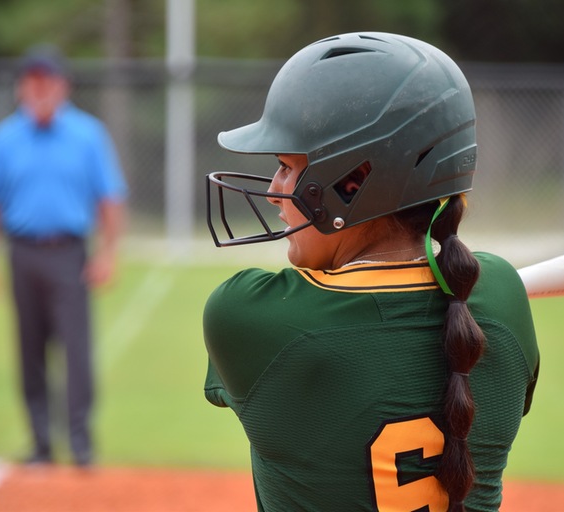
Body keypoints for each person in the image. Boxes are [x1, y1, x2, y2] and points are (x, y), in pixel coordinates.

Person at [203, 32, 539, 511]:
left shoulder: (249, 315)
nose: (276, 193)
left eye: (285, 166)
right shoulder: (500, 296)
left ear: (352, 181)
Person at [0, 44, 127, 468]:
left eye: (47, 81)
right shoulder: (3, 138)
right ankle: (41, 444)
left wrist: (108, 253)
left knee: (76, 351)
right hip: (22, 253)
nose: (40, 89)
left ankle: (80, 444)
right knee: (29, 350)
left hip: (70, 253)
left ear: (63, 86)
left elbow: (110, 198)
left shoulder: (87, 134)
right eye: (32, 81)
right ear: (22, 87)